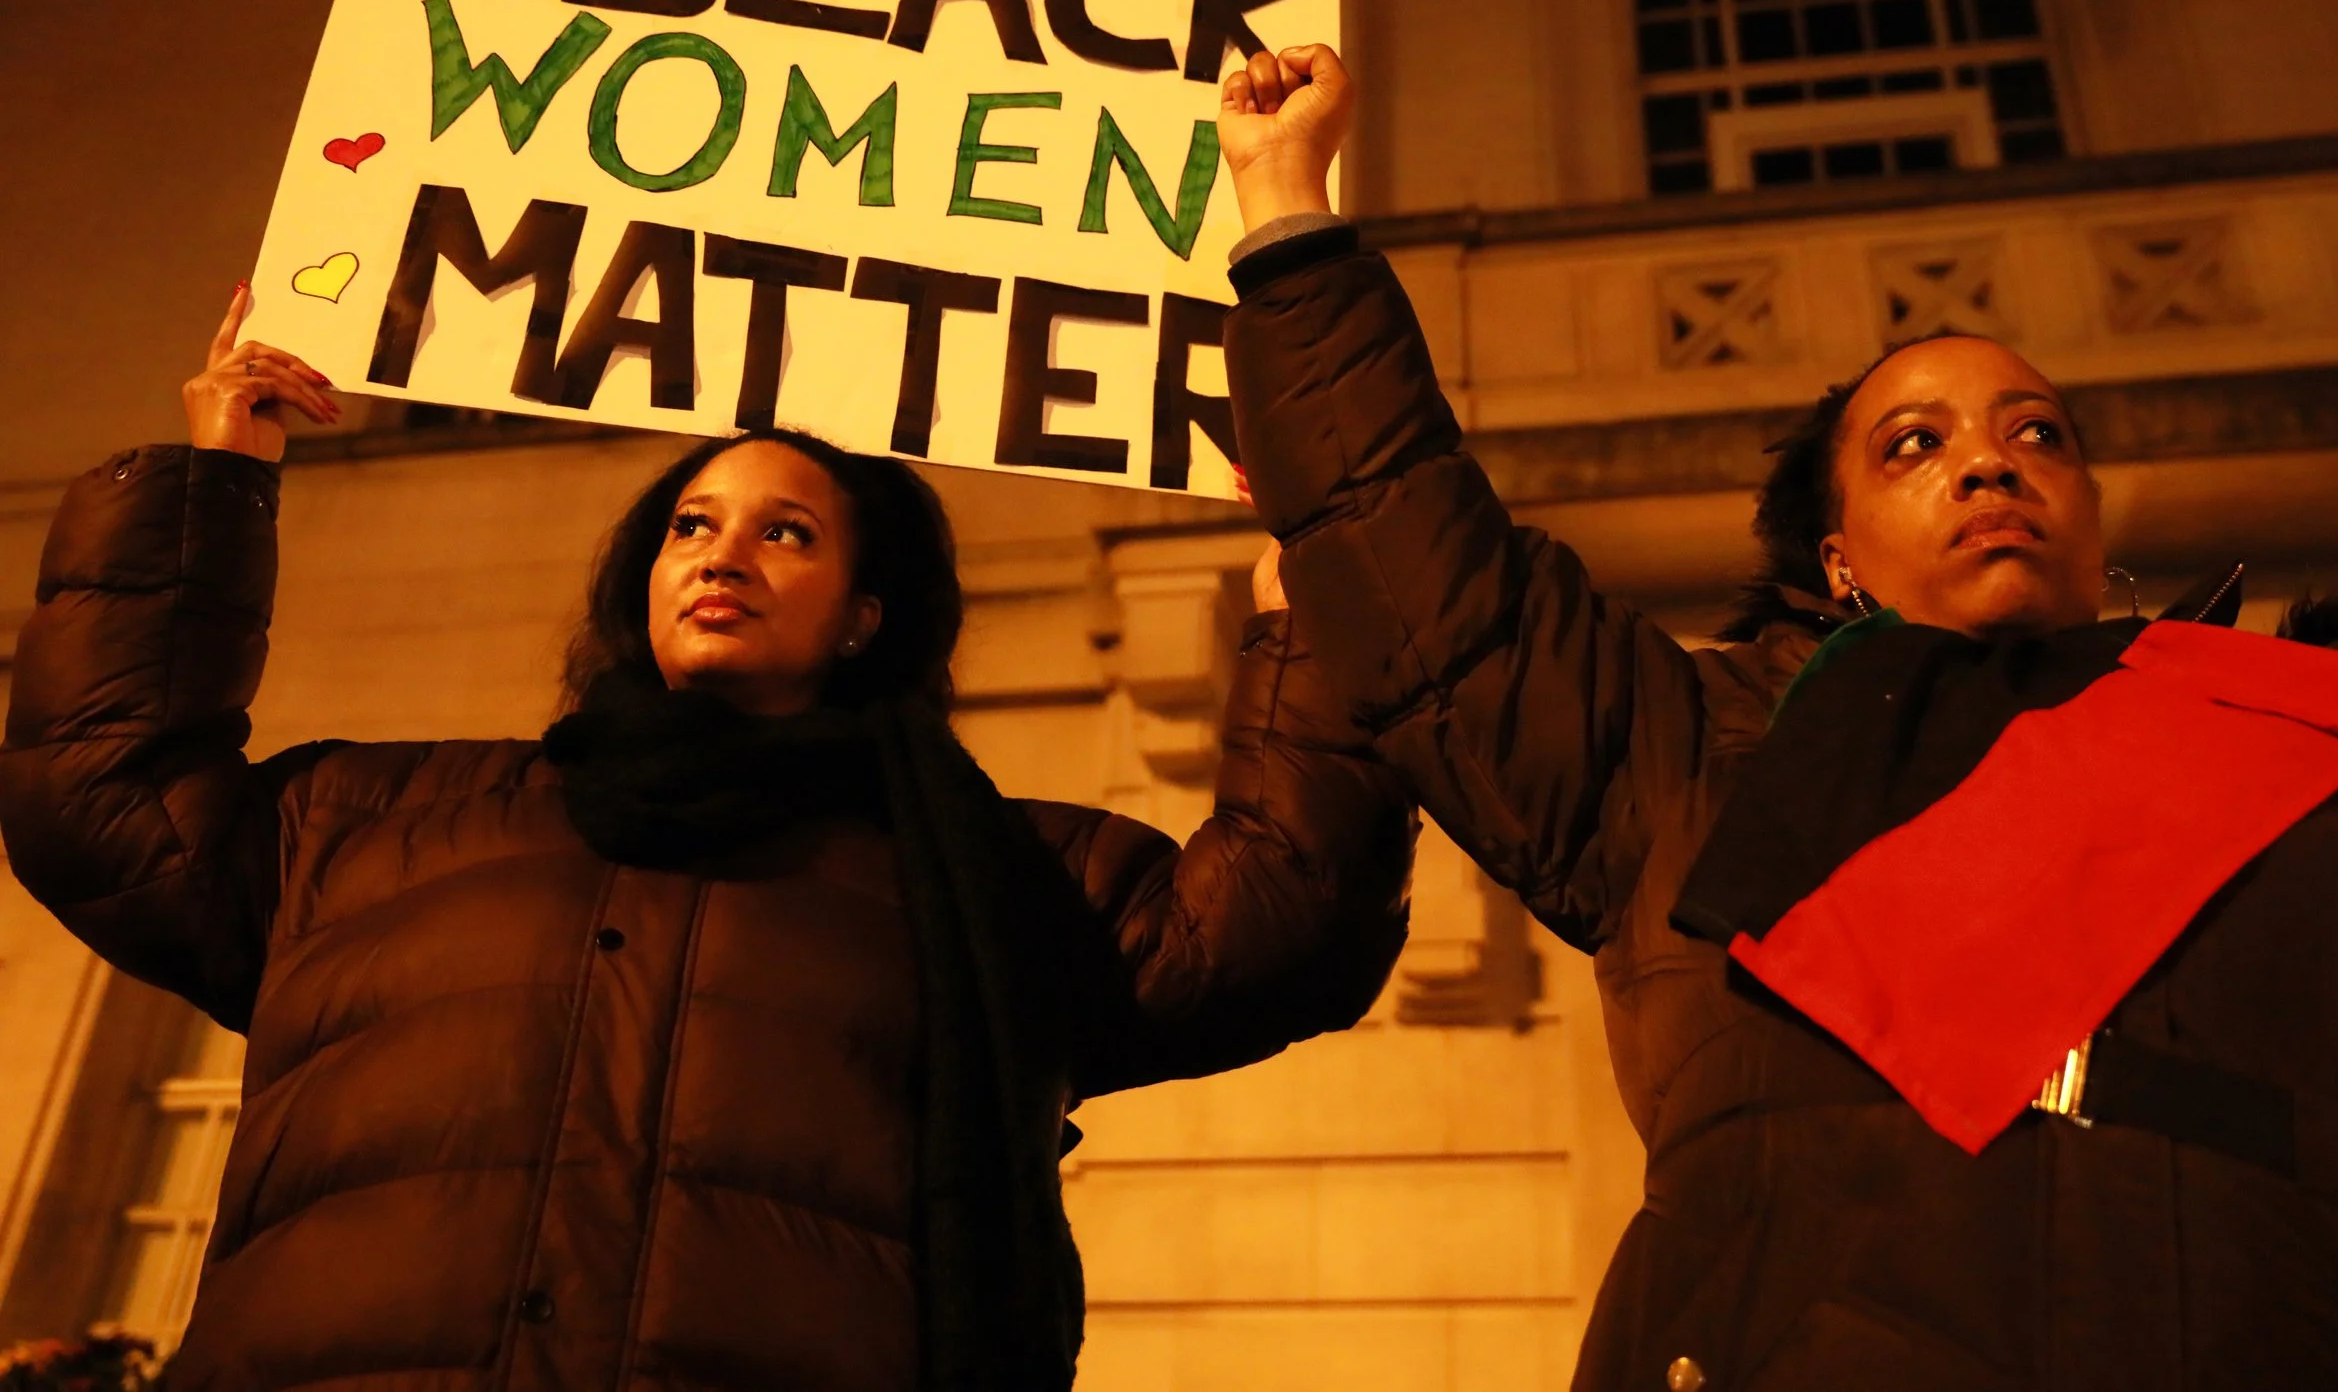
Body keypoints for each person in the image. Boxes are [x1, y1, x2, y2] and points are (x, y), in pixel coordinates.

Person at [1214, 45, 2338, 1391]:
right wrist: (1286, 197)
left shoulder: (2332, 753)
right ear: (1838, 561)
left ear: (2093, 516)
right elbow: (1425, 561)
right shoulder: (1693, 747)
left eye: (2039, 435)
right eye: (1914, 444)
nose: (1990, 462)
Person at [0, 284, 1418, 1392]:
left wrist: (1305, 598)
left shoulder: (997, 880)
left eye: (786, 533)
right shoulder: (372, 823)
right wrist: (216, 478)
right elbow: (107, 797)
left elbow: (1282, 918)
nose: (722, 553)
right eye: (692, 523)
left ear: (865, 618)